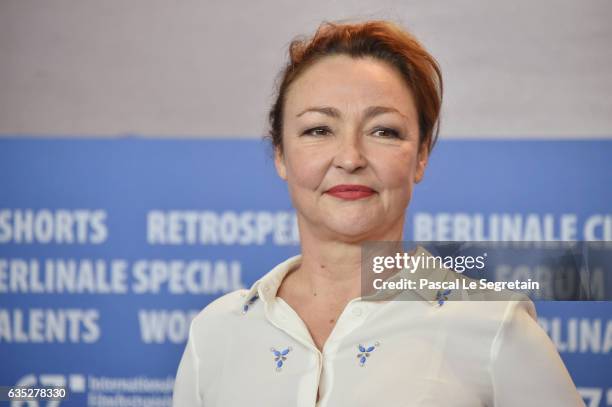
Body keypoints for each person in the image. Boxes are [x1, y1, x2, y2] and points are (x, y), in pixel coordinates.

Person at [172, 20, 585, 406]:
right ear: (280, 153)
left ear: (421, 156)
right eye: (318, 129)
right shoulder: (215, 333)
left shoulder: (495, 326)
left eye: (383, 131)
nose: (350, 158)